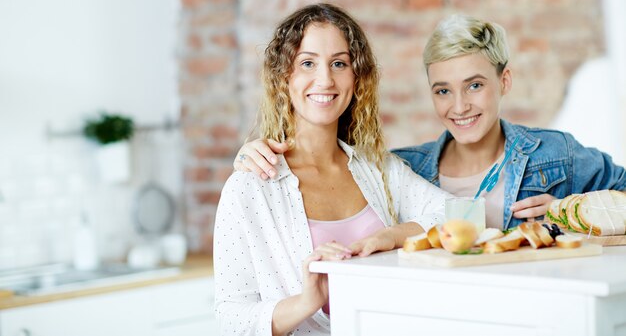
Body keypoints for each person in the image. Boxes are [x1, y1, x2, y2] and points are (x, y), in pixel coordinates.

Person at [233, 14, 626, 230]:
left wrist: (571, 211)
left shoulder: (554, 155)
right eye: (442, 90)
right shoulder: (404, 169)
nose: (459, 106)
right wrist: (254, 152)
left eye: (474, 85)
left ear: (504, 82)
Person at [214, 3, 448, 336]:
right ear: (284, 77)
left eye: (339, 63)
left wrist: (390, 237)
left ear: (356, 78)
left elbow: (460, 216)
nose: (325, 79)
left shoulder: (379, 169)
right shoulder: (251, 187)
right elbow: (230, 319)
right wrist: (305, 301)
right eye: (307, 63)